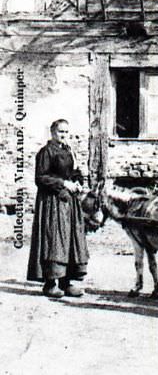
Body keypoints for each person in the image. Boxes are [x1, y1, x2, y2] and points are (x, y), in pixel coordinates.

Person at [26, 118, 89, 298]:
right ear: (53, 133)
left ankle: (66, 282)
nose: (64, 135)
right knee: (54, 240)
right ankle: (50, 283)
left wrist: (78, 181)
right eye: (61, 132)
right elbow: (40, 178)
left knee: (70, 240)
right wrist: (63, 183)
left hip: (69, 203)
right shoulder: (46, 152)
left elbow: (74, 172)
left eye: (66, 132)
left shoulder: (68, 151)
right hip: (52, 203)